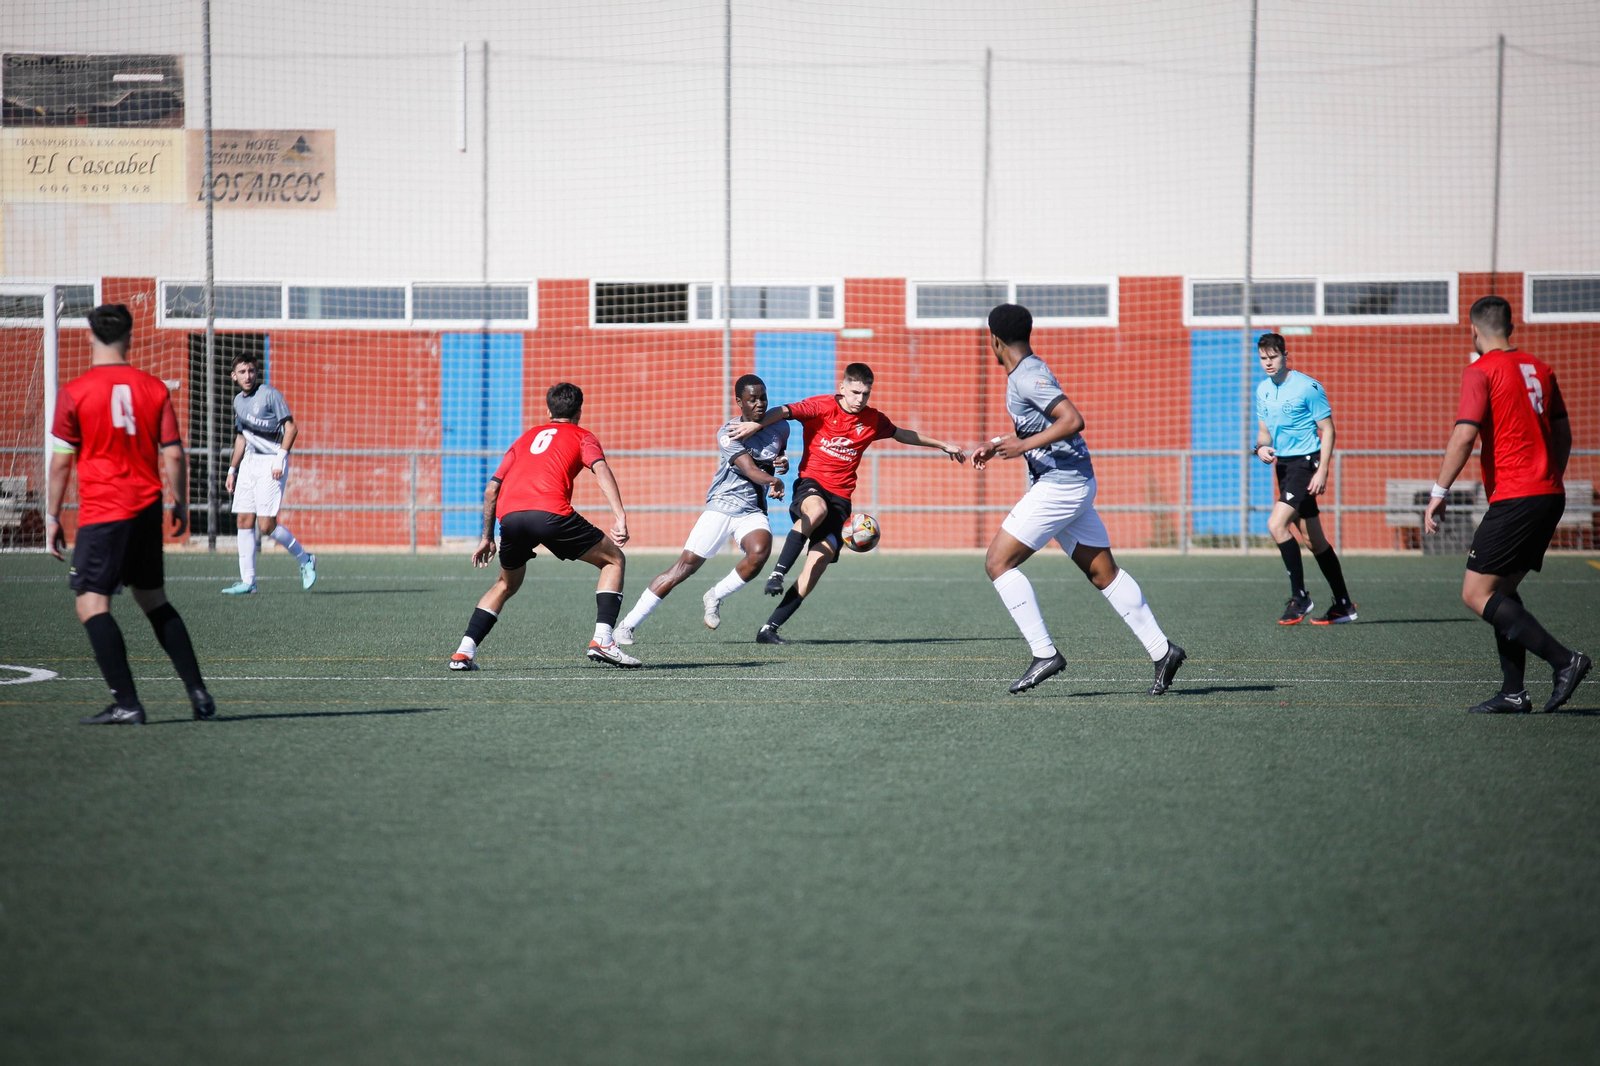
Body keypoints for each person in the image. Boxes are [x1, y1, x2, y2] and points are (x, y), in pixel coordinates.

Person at [971, 303, 1186, 695]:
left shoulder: (1027, 375)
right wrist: (999, 443)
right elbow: (1036, 425)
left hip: (1061, 484)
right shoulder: (1026, 371)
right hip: (1074, 482)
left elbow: (1072, 419)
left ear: (994, 340)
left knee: (997, 562)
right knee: (1105, 574)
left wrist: (1021, 447)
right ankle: (1163, 650)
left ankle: (1044, 653)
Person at [46, 304, 215, 724]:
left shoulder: (75, 392)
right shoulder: (154, 388)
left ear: (89, 336)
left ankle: (127, 702)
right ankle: (198, 693)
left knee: (91, 604)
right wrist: (180, 503)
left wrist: (51, 515)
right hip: (147, 508)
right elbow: (174, 455)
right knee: (153, 599)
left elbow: (61, 463)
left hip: (105, 511)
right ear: (130, 337)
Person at [1424, 295, 1589, 713]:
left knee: (1475, 593)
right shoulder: (1540, 368)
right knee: (1503, 592)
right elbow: (1564, 435)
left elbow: (1464, 436)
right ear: (1510, 328)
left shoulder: (1480, 370)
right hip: (1548, 494)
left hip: (1517, 497)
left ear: (1474, 330)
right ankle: (1514, 692)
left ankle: (1563, 660)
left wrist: (1438, 493)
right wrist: (1547, 476)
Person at [728, 362, 966, 644]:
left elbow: (902, 434)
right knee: (816, 509)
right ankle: (777, 573)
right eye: (855, 392)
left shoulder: (873, 420)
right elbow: (784, 410)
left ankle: (769, 629)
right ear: (842, 388)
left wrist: (942, 445)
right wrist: (757, 423)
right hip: (811, 486)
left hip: (841, 502)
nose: (860, 399)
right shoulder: (822, 407)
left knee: (816, 566)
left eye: (865, 394)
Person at [448, 382, 641, 670]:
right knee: (613, 559)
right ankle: (603, 639)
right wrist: (620, 515)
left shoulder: (525, 438)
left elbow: (491, 491)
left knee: (505, 584)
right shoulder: (582, 436)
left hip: (510, 518)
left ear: (548, 410)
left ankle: (464, 651)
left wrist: (487, 537)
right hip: (551, 514)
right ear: (579, 411)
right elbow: (600, 469)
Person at [616, 375, 788, 643]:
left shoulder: (781, 428)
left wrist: (782, 463)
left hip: (752, 510)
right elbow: (751, 470)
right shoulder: (727, 433)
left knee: (760, 552)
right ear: (739, 402)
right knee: (683, 568)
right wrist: (774, 480)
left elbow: (776, 455)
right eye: (752, 399)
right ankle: (626, 625)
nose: (759, 404)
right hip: (722, 506)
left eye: (763, 397)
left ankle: (715, 595)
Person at [1253, 333, 1356, 624]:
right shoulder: (1262, 391)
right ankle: (1344, 604)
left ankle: (1300, 598)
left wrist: (1322, 469)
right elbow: (1264, 433)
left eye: (1273, 357)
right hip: (1284, 467)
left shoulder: (1307, 387)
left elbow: (1329, 430)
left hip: (1306, 464)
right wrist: (1260, 448)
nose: (1268, 363)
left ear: (1286, 356)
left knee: (1276, 524)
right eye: (1263, 358)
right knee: (1314, 540)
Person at [221, 353, 317, 593]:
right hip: (249, 464)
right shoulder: (237, 402)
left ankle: (306, 559)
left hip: (271, 463)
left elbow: (291, 428)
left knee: (266, 525)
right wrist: (232, 469)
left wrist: (280, 459)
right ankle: (248, 582)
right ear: (234, 376)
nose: (247, 376)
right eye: (242, 372)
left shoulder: (270, 395)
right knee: (243, 520)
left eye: (251, 371)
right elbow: (242, 437)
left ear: (257, 373)